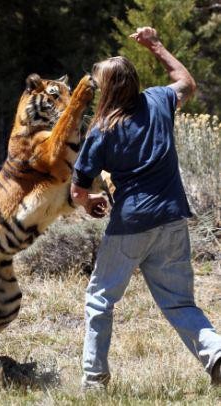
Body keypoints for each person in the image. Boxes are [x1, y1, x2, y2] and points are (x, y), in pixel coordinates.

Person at [70, 26, 221, 390]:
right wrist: (156, 45)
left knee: (100, 300)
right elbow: (186, 82)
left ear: (107, 89)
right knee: (180, 302)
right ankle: (217, 355)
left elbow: (78, 191)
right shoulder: (157, 101)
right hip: (171, 218)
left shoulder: (102, 130)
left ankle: (94, 380)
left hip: (130, 226)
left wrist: (91, 202)